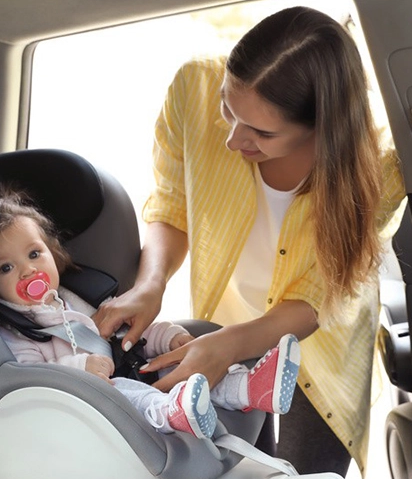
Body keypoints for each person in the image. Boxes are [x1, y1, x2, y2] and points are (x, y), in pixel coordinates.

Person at [95, 6, 407, 477]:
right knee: (235, 466)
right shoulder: (193, 86)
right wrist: (150, 285)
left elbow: (317, 296)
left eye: (262, 132)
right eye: (228, 109)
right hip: (222, 323)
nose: (233, 139)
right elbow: (173, 204)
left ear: (320, 128)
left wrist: (232, 345)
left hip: (321, 352)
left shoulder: (380, 168)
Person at [0, 187, 301, 440]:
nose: (28, 270)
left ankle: (250, 389)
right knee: (127, 390)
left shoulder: (76, 299)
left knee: (180, 365)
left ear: (53, 254)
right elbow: (29, 381)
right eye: (6, 267)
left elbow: (130, 331)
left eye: (34, 254)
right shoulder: (16, 331)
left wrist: (169, 338)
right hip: (92, 402)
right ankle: (170, 414)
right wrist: (81, 366)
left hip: (128, 368)